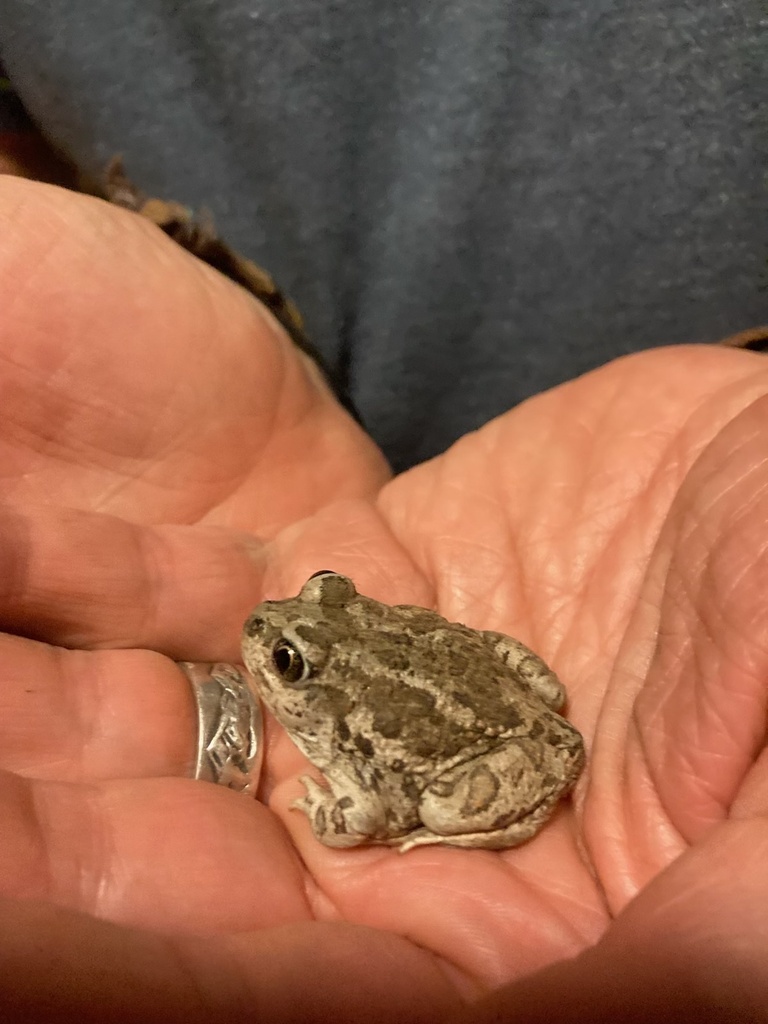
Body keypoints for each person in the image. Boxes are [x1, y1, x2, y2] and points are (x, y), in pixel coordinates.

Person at [0, 4, 767, 1021]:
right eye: (292, 638)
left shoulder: (348, 728)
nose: (271, 636)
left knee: (438, 796)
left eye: (285, 663)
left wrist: (342, 811)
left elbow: (363, 810)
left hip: (483, 712)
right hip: (459, 614)